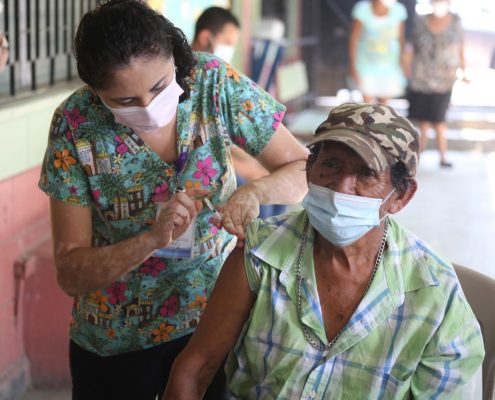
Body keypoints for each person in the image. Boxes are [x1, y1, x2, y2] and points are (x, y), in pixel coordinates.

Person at [38, 1, 308, 399]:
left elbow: (302, 168)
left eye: (160, 87)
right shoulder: (75, 124)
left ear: (178, 60)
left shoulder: (213, 82)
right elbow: (71, 272)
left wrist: (255, 192)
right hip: (117, 340)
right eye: (125, 101)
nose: (147, 108)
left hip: (217, 319)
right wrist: (149, 240)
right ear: (96, 93)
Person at [164, 103, 485, 399]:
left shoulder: (435, 293)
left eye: (366, 174)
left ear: (401, 196)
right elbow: (195, 369)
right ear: (309, 169)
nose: (342, 186)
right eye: (331, 164)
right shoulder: (260, 252)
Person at [406, 0, 465, 168]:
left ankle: (442, 156)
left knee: (439, 119)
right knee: (424, 121)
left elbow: (460, 46)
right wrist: (406, 65)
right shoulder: (421, 21)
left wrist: (464, 69)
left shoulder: (455, 21)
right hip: (421, 77)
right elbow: (412, 46)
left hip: (444, 79)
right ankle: (420, 154)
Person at [349, 0, 408, 104]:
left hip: (390, 67)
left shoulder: (398, 10)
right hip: (366, 66)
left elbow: (401, 39)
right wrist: (353, 66)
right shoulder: (362, 9)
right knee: (367, 107)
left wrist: (404, 62)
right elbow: (354, 39)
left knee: (384, 108)